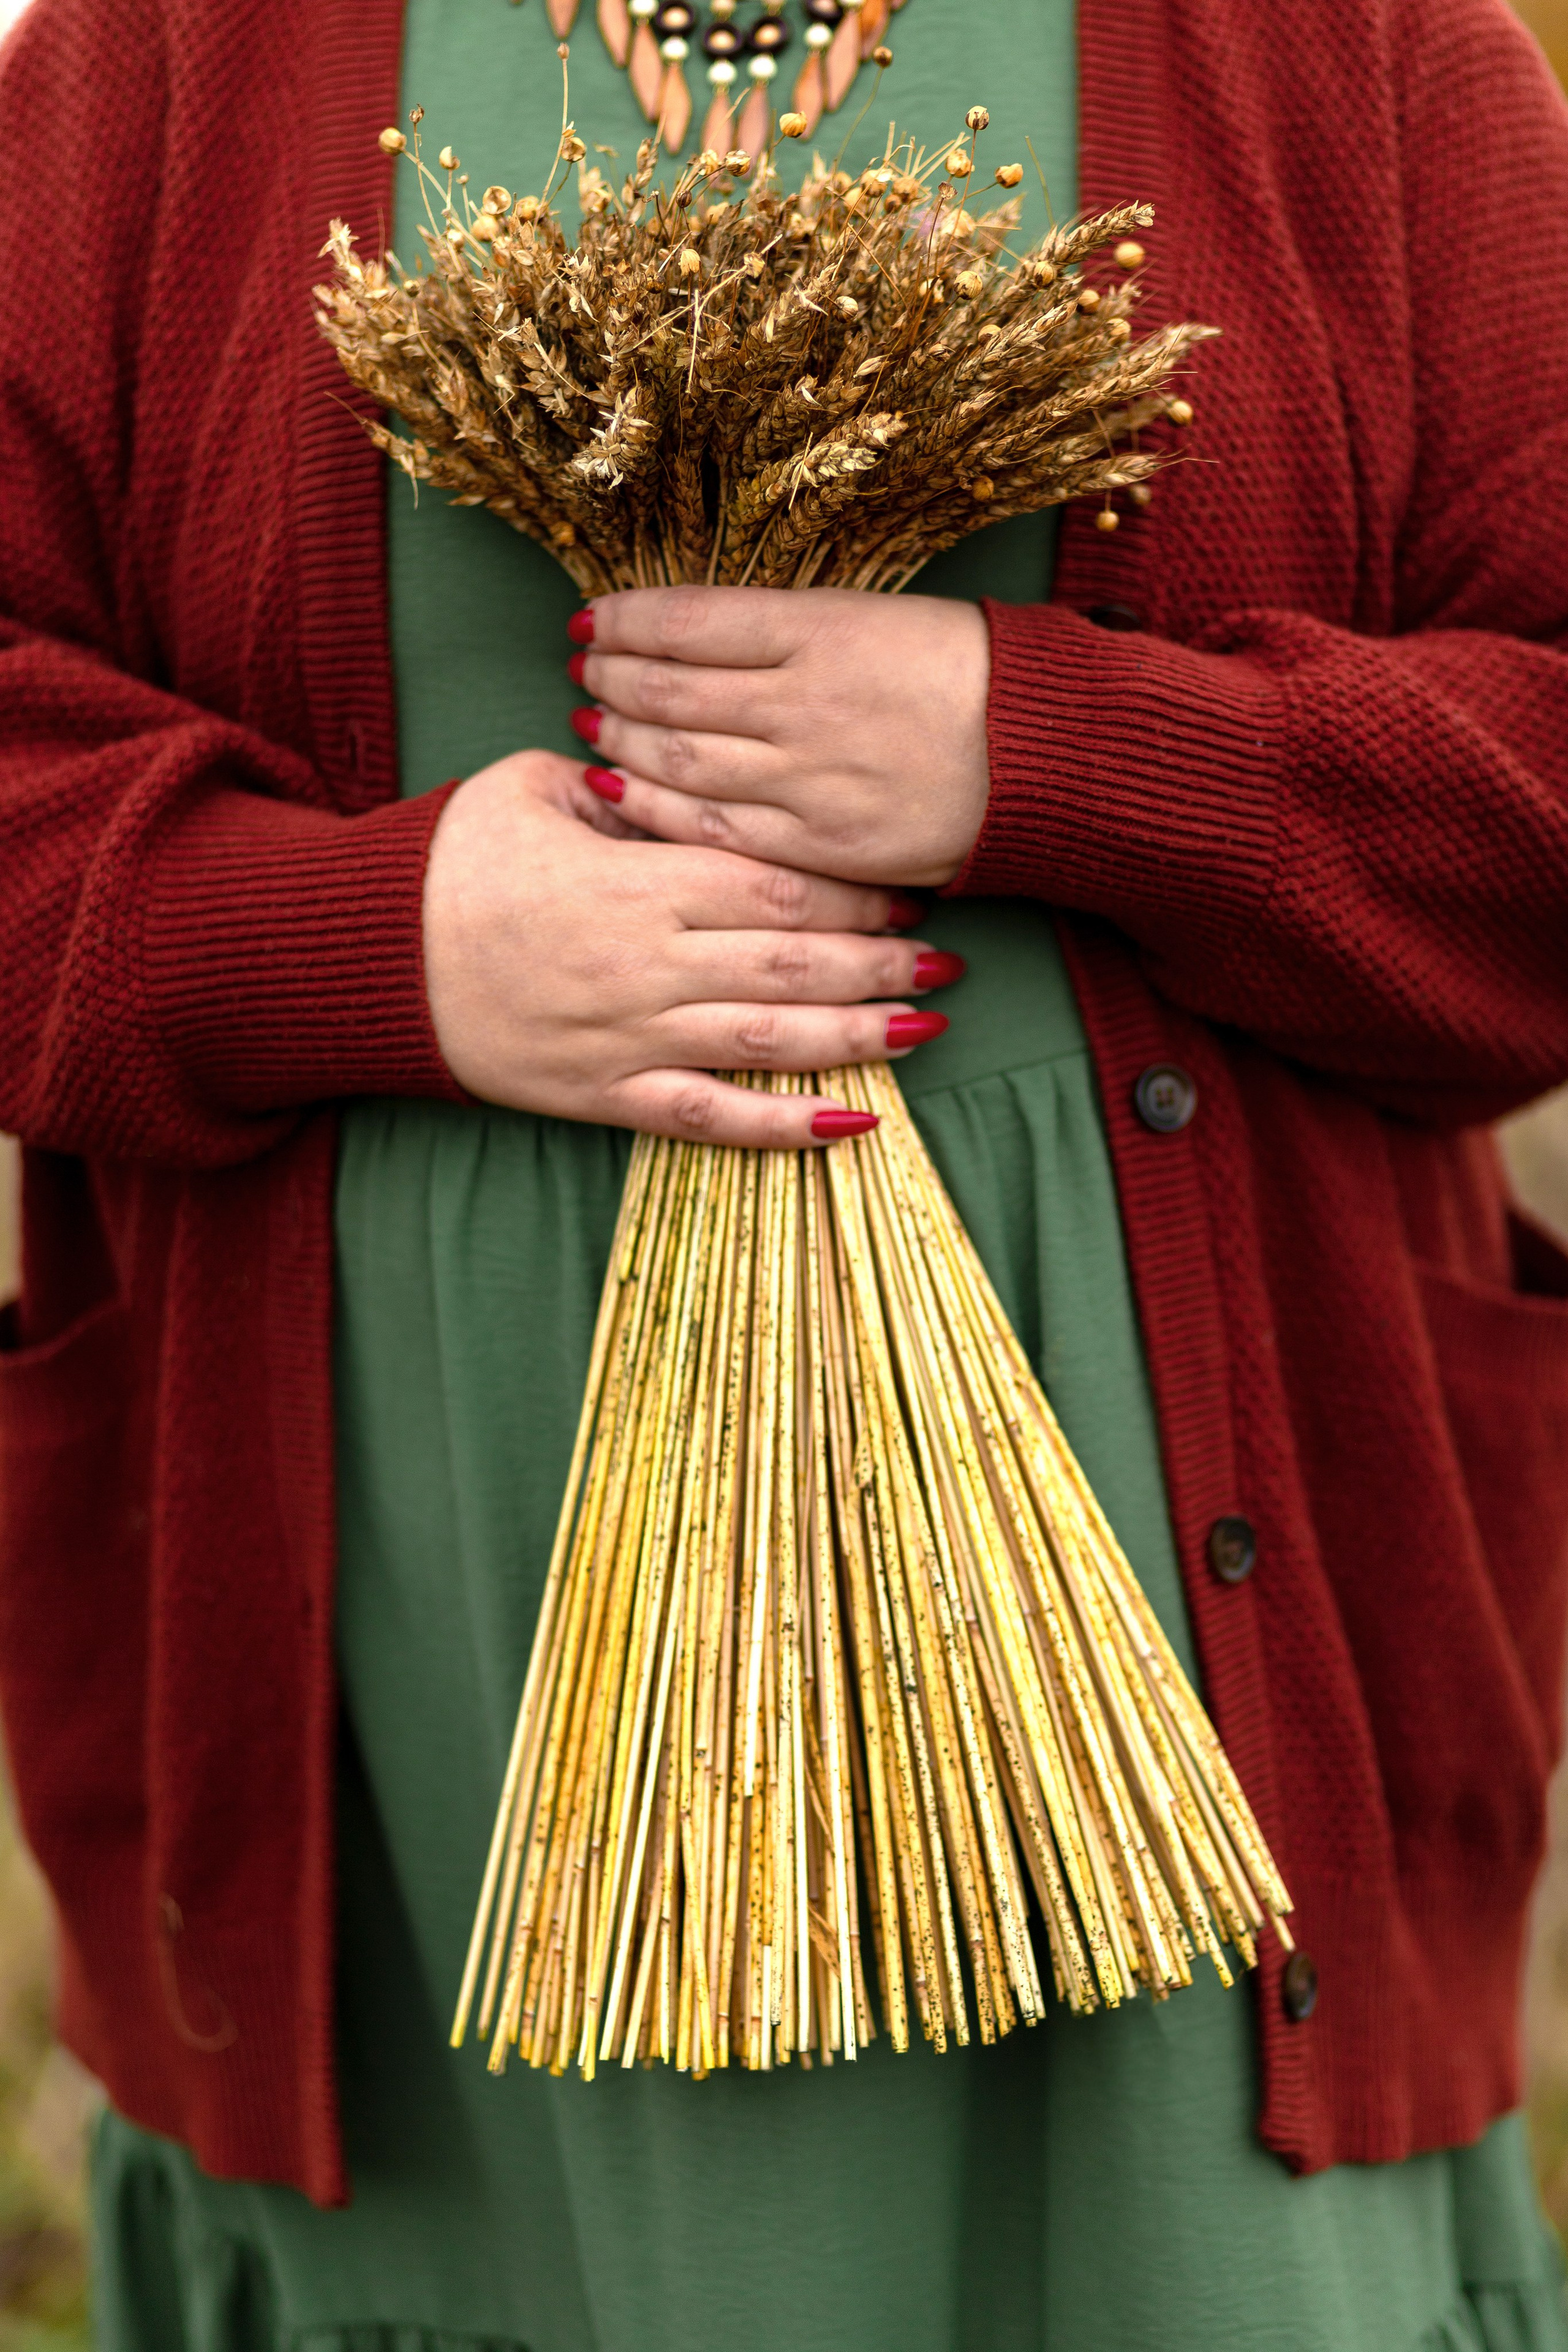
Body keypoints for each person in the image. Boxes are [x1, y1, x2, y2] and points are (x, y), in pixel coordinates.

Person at [3, 0, 1568, 2343]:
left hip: (1191, 1719)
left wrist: (1056, 750)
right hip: (424, 1681)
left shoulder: (1351, 48)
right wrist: (366, 942)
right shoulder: (160, 62)